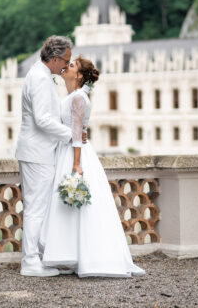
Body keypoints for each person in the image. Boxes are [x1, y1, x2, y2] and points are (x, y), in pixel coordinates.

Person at [40, 56, 145, 278]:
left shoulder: (78, 98)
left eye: (71, 66)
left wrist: (76, 163)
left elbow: (77, 133)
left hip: (74, 154)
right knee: (67, 206)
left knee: (78, 205)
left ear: (78, 76)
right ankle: (70, 254)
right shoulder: (72, 96)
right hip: (66, 151)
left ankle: (85, 255)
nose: (66, 67)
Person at [15, 35, 86, 277]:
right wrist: (71, 135)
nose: (66, 66)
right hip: (37, 152)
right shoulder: (39, 79)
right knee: (35, 209)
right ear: (54, 59)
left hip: (38, 151)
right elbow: (43, 119)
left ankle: (39, 256)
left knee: (40, 208)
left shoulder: (41, 76)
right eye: (65, 61)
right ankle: (30, 262)